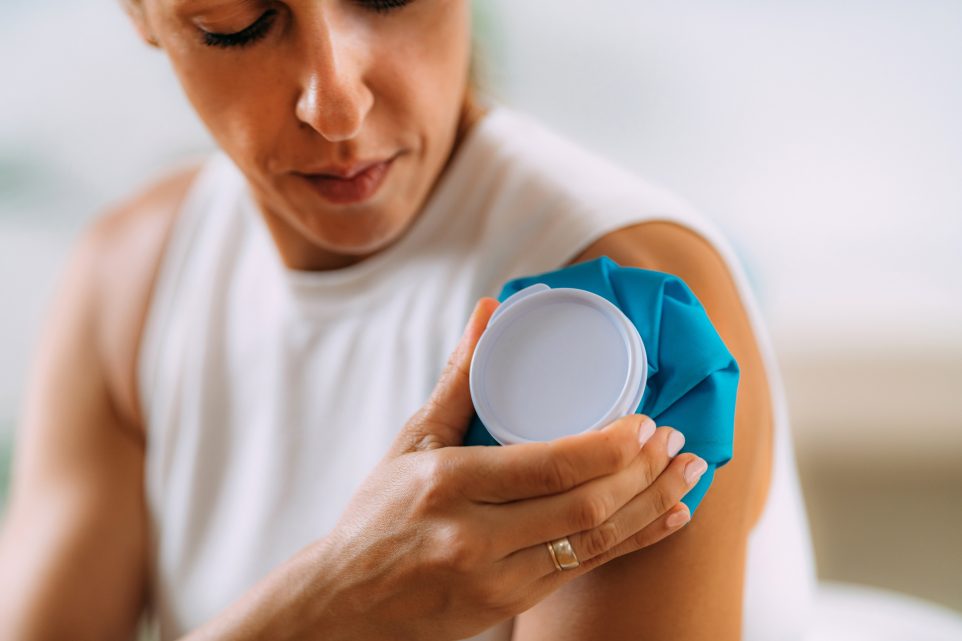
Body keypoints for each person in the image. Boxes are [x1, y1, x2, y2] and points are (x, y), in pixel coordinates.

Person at [0, 1, 817, 640]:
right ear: (140, 16)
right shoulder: (130, 279)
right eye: (236, 26)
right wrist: (330, 606)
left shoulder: (626, 317)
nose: (336, 103)